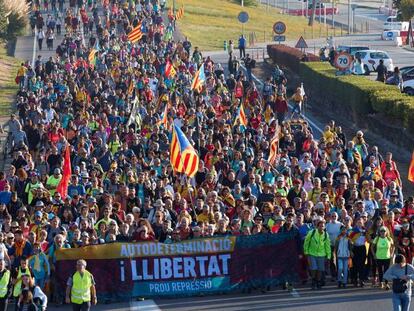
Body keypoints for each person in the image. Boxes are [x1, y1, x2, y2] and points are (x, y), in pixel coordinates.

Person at [303, 219, 331, 289]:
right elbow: (306, 242)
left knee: (320, 269)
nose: (321, 228)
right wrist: (306, 251)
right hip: (312, 253)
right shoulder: (311, 232)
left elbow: (327, 246)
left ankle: (318, 281)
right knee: (314, 268)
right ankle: (313, 280)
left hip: (322, 254)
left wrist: (328, 256)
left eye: (323, 226)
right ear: (317, 226)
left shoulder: (325, 235)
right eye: (320, 226)